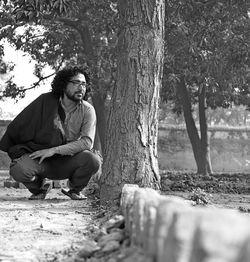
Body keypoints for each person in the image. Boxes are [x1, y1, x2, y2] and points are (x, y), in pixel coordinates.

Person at [0, 65, 101, 200]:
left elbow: (87, 143)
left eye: (83, 84)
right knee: (18, 170)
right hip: (41, 158)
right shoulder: (45, 102)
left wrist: (54, 150)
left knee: (93, 160)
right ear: (64, 85)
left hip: (68, 160)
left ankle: (75, 189)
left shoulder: (88, 110)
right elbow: (21, 126)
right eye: (76, 82)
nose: (81, 87)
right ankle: (39, 189)